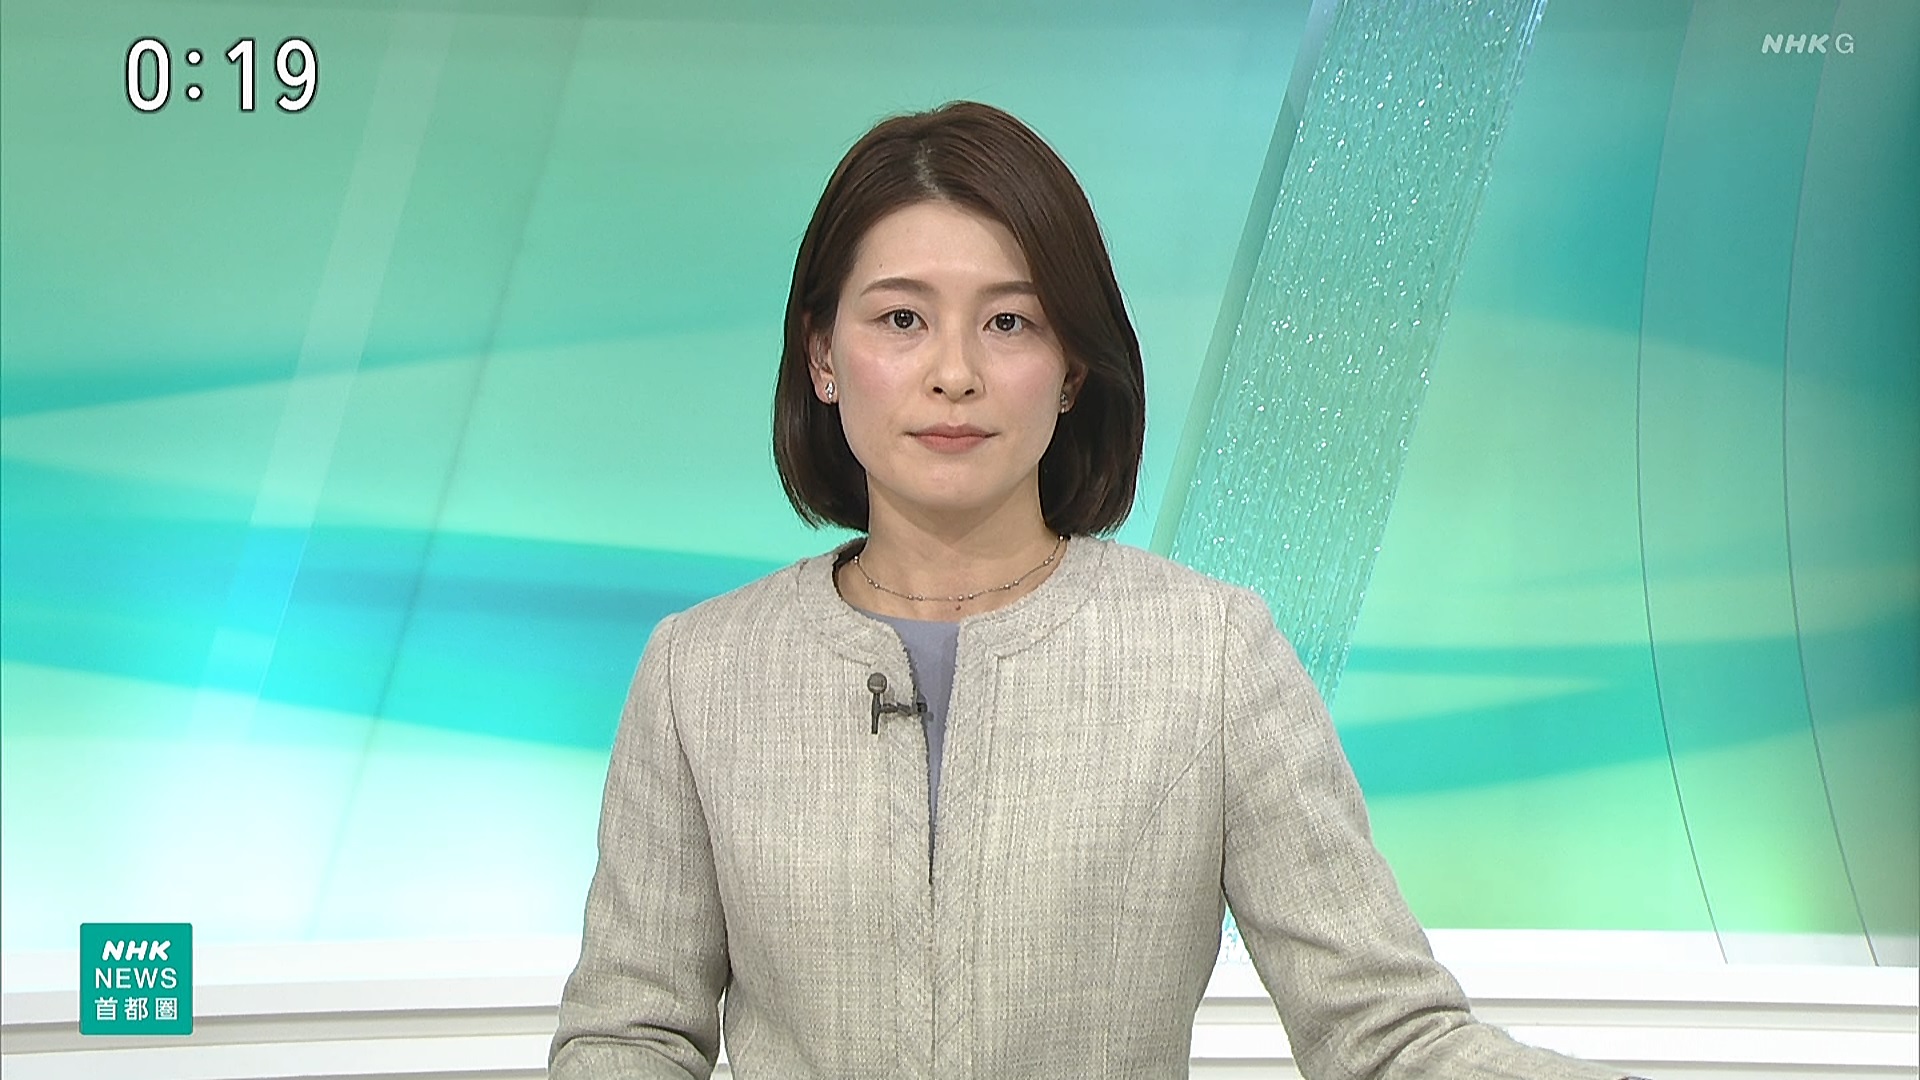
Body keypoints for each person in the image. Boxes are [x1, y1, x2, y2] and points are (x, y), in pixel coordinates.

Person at [549, 101, 1641, 1080]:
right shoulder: (702, 671)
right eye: (901, 319)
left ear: (1072, 368)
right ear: (823, 357)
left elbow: (1387, 1039)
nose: (955, 373)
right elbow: (631, 1037)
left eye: (1009, 322)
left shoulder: (1210, 654)